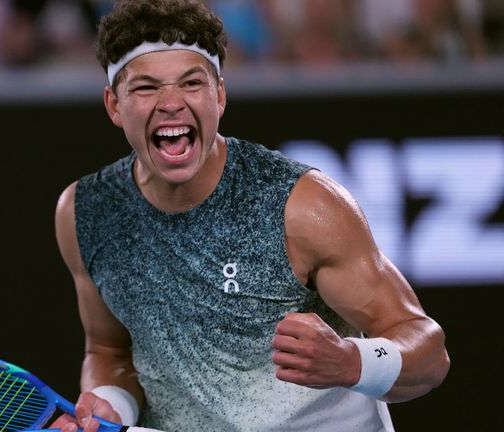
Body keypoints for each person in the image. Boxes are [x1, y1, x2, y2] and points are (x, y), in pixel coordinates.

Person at [52, 0, 450, 431]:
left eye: (191, 82)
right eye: (146, 88)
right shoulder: (86, 212)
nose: (170, 103)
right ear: (114, 104)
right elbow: (109, 352)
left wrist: (351, 361)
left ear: (219, 95)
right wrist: (112, 405)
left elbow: (428, 353)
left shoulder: (302, 205)